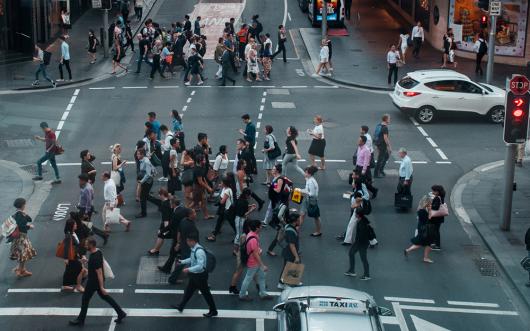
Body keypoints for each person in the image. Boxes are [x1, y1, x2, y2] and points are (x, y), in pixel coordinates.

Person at [69, 238, 127, 326]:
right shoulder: (98, 252)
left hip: (93, 282)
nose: (85, 246)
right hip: (97, 280)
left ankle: (81, 320)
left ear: (91, 245)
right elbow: (98, 266)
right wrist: (87, 261)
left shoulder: (94, 257)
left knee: (85, 299)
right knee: (105, 297)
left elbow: (99, 272)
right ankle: (120, 313)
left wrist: (101, 287)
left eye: (87, 244)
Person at [172, 233, 218, 317]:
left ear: (192, 241)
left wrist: (188, 269)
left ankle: (213, 310)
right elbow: (192, 259)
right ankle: (181, 306)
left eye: (188, 241)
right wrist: (182, 262)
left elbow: (200, 266)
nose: (187, 243)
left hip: (200, 276)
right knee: (189, 291)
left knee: (206, 293)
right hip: (195, 275)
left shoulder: (199, 251)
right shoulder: (194, 249)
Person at [239, 220, 273, 301]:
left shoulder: (251, 234)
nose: (261, 227)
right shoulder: (253, 239)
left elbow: (254, 250)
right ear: (257, 228)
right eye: (260, 226)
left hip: (253, 261)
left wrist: (258, 250)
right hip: (254, 262)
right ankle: (242, 295)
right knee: (248, 278)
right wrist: (262, 265)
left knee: (261, 277)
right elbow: (255, 254)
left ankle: (263, 293)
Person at [158, 197, 190, 273]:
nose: (170, 205)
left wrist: (161, 231)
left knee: (173, 253)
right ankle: (168, 268)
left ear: (173, 204)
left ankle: (168, 269)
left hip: (178, 236)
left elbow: (171, 225)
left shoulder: (176, 213)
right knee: (179, 253)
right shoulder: (184, 209)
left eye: (170, 203)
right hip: (185, 234)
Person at [9, 198, 37, 278]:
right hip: (20, 238)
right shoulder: (18, 215)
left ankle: (22, 269)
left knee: (24, 254)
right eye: (25, 204)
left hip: (22, 237)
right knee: (23, 254)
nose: (25, 205)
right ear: (22, 205)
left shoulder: (19, 213)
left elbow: (29, 219)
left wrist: (25, 214)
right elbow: (21, 226)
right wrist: (29, 226)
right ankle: (19, 269)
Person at [404, 196, 434, 263]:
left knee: (422, 243)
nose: (431, 204)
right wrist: (430, 211)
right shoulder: (423, 211)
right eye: (430, 203)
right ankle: (425, 258)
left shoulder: (420, 209)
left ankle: (408, 250)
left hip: (421, 228)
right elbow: (429, 219)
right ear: (427, 203)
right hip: (426, 228)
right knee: (426, 243)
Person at [207, 175, 236, 242]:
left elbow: (222, 202)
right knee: (220, 222)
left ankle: (239, 235)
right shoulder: (225, 189)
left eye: (222, 182)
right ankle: (214, 236)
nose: (220, 183)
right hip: (225, 209)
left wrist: (217, 202)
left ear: (225, 183)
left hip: (227, 210)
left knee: (232, 223)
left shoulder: (227, 191)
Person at [61, 219, 87, 292]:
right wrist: (66, 258)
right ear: (71, 226)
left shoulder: (73, 233)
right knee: (80, 270)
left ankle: (65, 286)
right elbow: (67, 247)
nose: (76, 225)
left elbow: (77, 246)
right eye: (75, 224)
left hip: (74, 255)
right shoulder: (69, 235)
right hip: (72, 257)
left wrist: (81, 255)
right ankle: (78, 286)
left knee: (68, 270)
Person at [344, 210, 371, 280]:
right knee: (352, 253)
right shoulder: (363, 220)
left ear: (358, 215)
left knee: (363, 258)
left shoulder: (361, 223)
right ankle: (352, 270)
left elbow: (361, 235)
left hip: (361, 243)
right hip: (362, 243)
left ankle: (366, 275)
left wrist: (356, 243)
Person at [278, 211, 301, 289]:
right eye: (299, 219)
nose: (300, 220)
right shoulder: (290, 231)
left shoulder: (288, 226)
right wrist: (296, 256)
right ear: (295, 221)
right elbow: (292, 245)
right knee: (288, 267)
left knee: (294, 265)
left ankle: (293, 281)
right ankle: (283, 284)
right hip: (290, 252)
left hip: (289, 251)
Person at [299, 166, 322, 237]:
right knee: (302, 214)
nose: (304, 173)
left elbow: (312, 193)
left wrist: (301, 191)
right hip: (307, 198)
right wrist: (301, 190)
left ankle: (318, 231)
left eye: (306, 172)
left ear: (309, 173)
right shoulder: (308, 179)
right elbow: (307, 189)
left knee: (316, 216)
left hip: (312, 200)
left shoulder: (312, 182)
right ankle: (297, 230)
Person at [136, 149, 154, 218]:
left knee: (143, 197)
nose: (137, 155)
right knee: (146, 197)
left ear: (142, 155)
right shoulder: (143, 159)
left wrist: (141, 181)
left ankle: (143, 213)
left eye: (139, 154)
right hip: (146, 181)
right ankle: (160, 203)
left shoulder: (146, 162)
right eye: (137, 154)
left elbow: (148, 174)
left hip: (147, 182)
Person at [429, 185, 446, 251]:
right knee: (435, 230)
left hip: (436, 218)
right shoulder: (441, 197)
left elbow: (435, 207)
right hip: (439, 217)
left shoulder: (437, 198)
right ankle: (435, 243)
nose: (432, 192)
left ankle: (437, 245)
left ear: (437, 192)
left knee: (436, 231)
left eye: (433, 191)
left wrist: (430, 206)